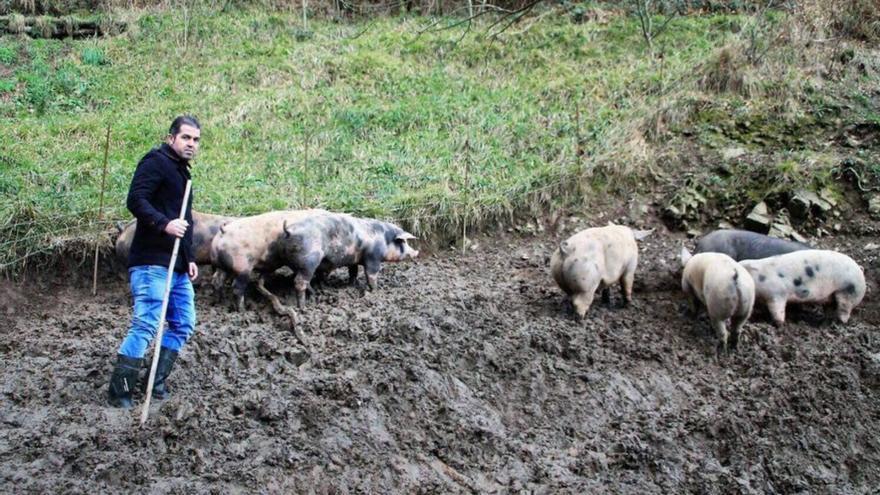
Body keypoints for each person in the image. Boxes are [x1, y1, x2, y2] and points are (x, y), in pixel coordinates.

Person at [107, 116, 201, 409]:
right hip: (152, 262)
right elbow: (136, 200)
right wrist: (164, 224)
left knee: (184, 323)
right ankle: (120, 391)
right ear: (171, 137)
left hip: (177, 266)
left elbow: (184, 220)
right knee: (146, 325)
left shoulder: (181, 172)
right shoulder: (156, 162)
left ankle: (154, 383)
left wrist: (189, 258)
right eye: (186, 138)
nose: (191, 144)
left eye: (196, 140)